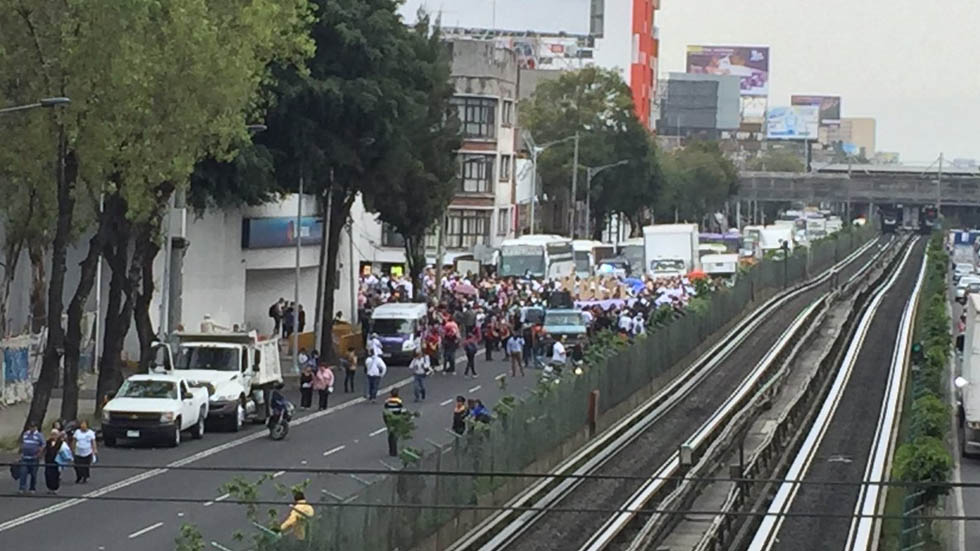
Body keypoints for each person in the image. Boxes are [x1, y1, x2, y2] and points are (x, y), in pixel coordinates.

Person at [18, 423, 44, 494]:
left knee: (33, 474)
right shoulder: (25, 434)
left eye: (33, 427)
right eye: (30, 427)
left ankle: (32, 488)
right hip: (25, 457)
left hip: (34, 458)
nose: (31, 428)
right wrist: (21, 452)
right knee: (23, 473)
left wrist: (39, 453)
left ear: (36, 427)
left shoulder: (39, 435)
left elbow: (43, 445)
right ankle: (22, 488)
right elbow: (22, 443)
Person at [43, 430, 72, 494]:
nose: (53, 436)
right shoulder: (48, 442)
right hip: (48, 460)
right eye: (52, 434)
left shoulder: (61, 443)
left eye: (55, 434)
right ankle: (50, 488)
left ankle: (55, 488)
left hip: (56, 461)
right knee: (48, 474)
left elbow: (66, 450)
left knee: (55, 475)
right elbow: (45, 450)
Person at [382, 389, 407, 457]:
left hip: (389, 419)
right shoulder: (399, 401)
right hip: (396, 419)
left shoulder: (387, 401)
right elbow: (400, 410)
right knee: (395, 435)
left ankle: (391, 450)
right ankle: (394, 451)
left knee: (390, 435)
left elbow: (385, 410)